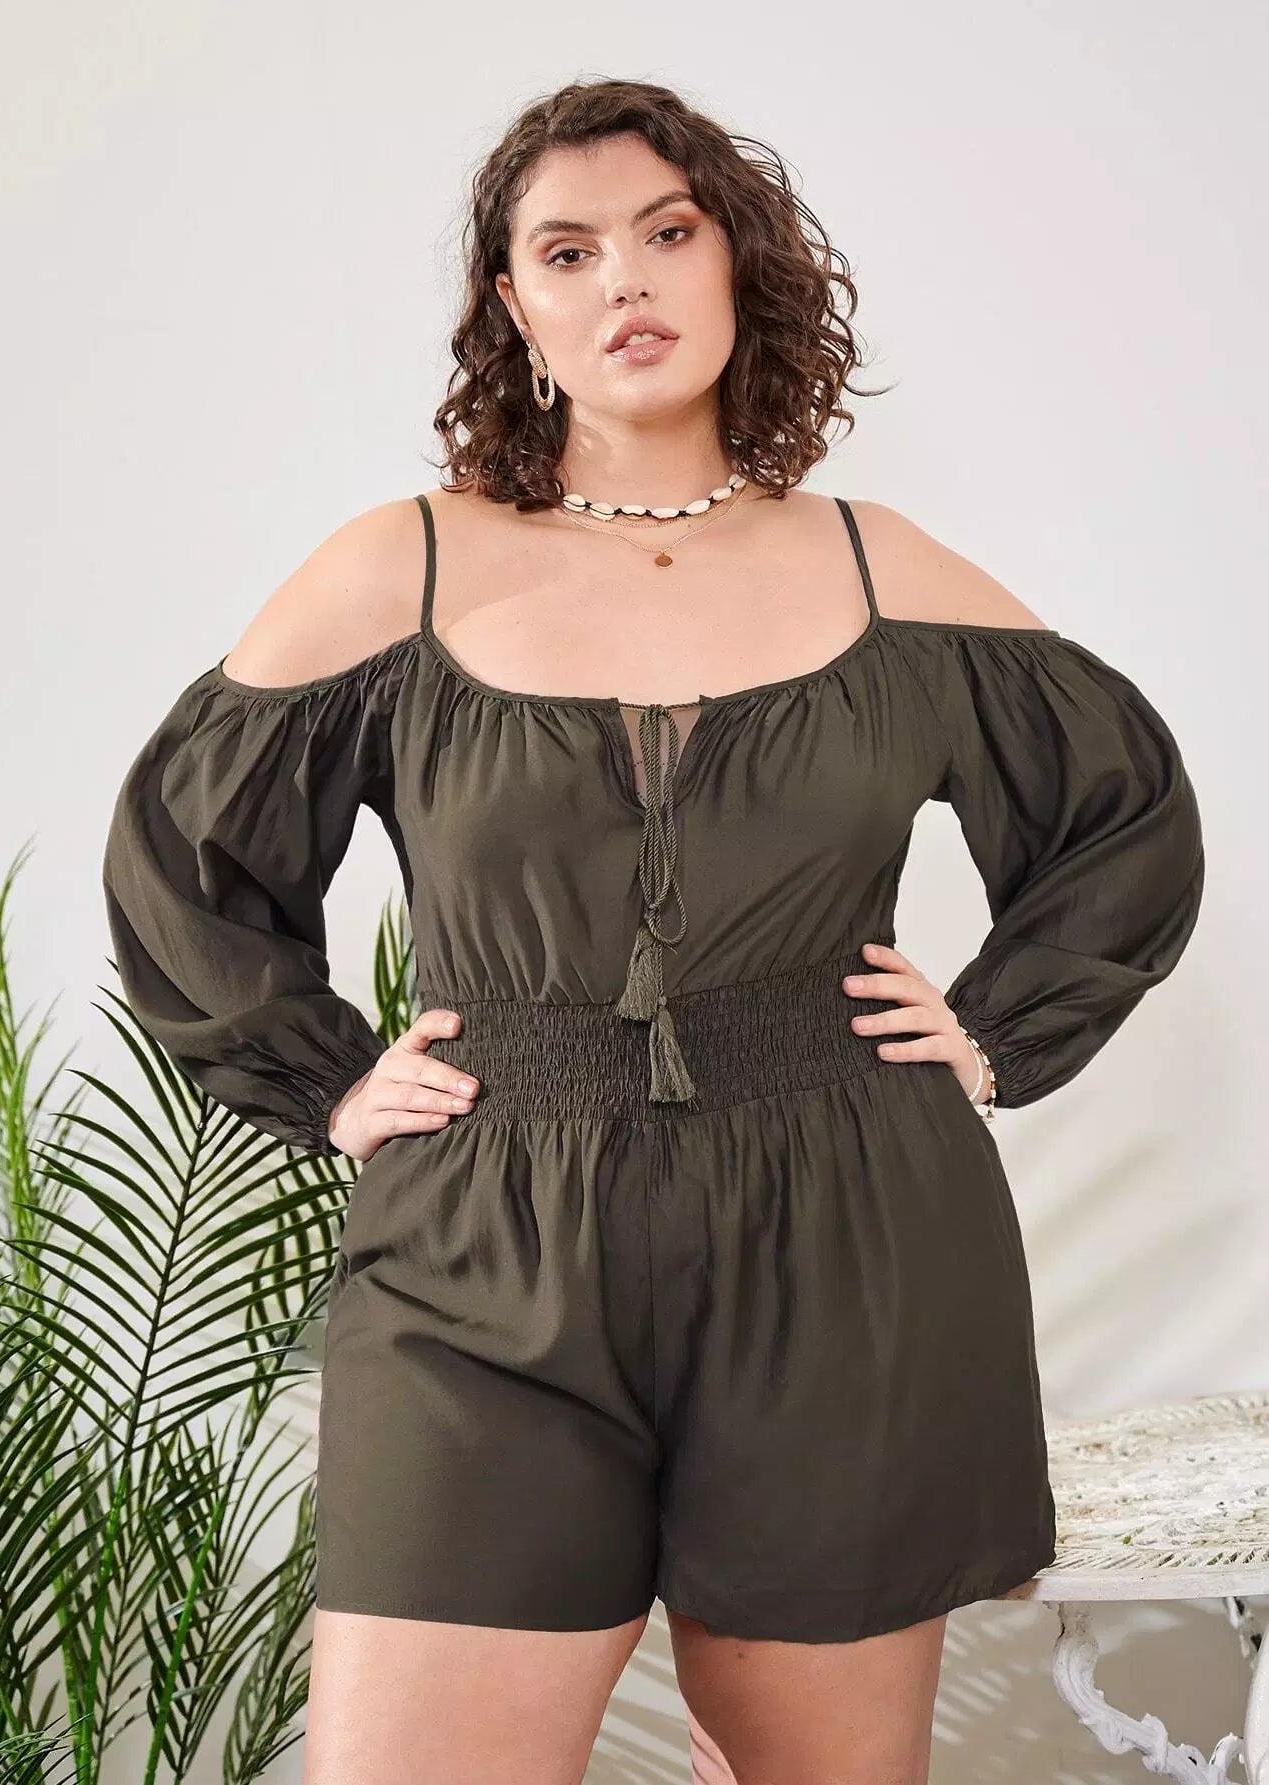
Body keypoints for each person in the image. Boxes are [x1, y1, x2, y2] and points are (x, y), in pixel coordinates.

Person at [101, 78, 1205, 1785]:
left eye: (667, 233)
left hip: (846, 1231)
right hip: (485, 1236)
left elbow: (1123, 805)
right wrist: (322, 1078)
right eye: (568, 250)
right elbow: (186, 853)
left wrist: (997, 1030)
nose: (624, 278)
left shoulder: (878, 567)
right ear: (514, 306)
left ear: (735, 263)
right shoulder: (403, 566)